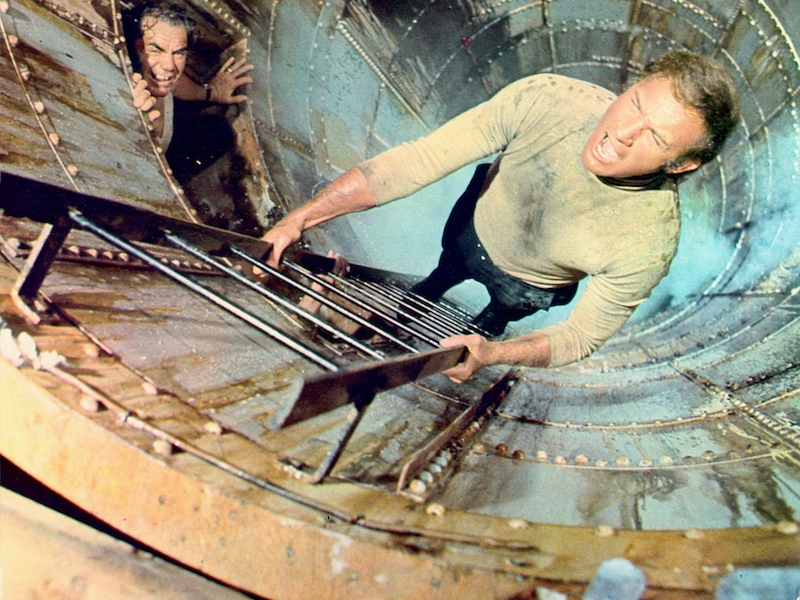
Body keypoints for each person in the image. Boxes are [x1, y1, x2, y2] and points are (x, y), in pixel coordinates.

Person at [262, 51, 739, 382]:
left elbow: (580, 335)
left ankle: (486, 330)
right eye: (634, 103)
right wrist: (300, 219)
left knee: (491, 325)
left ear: (681, 165)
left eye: (656, 137)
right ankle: (424, 297)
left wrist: (494, 355)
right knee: (439, 278)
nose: (622, 133)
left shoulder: (648, 241)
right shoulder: (547, 99)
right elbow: (415, 161)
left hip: (530, 285)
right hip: (473, 229)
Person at [127, 1, 253, 179]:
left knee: (220, 131)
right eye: (155, 50)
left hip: (168, 144)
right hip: (143, 171)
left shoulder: (158, 76)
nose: (169, 66)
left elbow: (175, 85)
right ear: (135, 49)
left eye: (178, 53)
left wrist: (212, 93)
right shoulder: (129, 96)